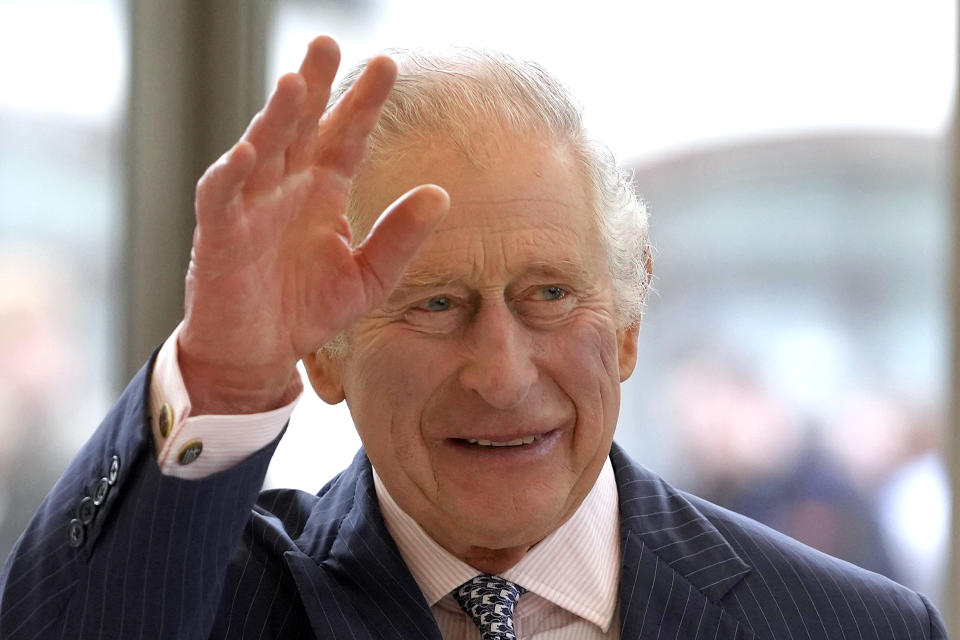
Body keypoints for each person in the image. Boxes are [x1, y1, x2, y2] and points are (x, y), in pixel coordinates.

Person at [0, 36, 947, 640]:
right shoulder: (220, 601)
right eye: (435, 305)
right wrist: (223, 374)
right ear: (327, 354)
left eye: (547, 295)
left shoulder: (850, 624)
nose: (502, 375)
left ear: (625, 326)